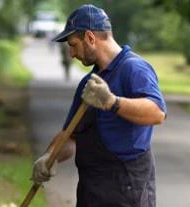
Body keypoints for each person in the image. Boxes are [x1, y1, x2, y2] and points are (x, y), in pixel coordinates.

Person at [31, 4, 167, 207]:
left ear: (90, 38)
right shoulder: (89, 84)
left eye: (73, 45)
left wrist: (111, 102)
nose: (71, 54)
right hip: (91, 190)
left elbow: (156, 113)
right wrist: (50, 157)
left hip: (127, 190)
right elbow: (71, 135)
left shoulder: (134, 68)